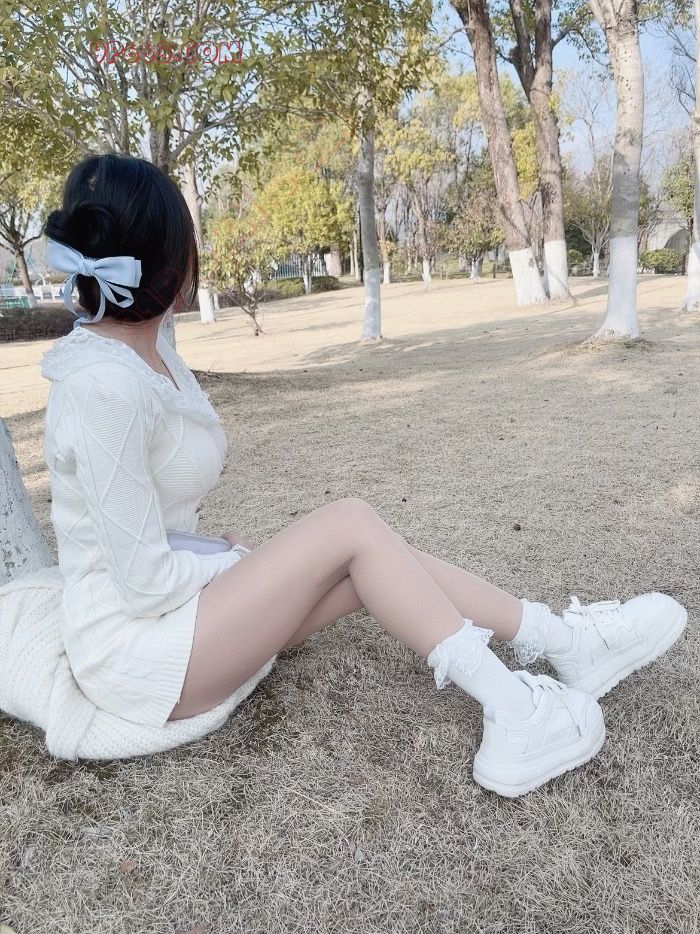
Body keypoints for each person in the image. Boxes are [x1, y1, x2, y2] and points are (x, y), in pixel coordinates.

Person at [40, 153, 687, 798]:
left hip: (178, 623)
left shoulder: (145, 352)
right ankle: (519, 709)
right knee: (350, 523)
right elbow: (143, 582)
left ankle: (564, 643)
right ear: (173, 256)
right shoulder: (104, 386)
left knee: (372, 562)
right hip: (141, 655)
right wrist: (232, 563)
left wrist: (220, 556)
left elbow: (142, 525)